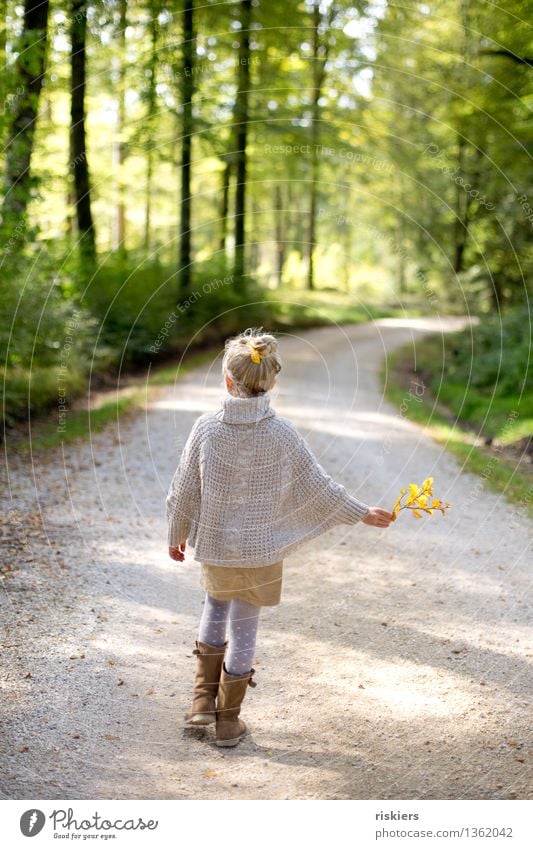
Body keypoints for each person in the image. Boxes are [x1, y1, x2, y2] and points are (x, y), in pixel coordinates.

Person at [167, 327, 392, 748]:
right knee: (245, 626)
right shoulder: (282, 433)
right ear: (271, 382)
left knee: (215, 608)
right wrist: (362, 513)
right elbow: (318, 486)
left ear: (227, 380)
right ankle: (228, 722)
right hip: (261, 552)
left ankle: (201, 703)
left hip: (217, 546)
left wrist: (176, 534)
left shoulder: (206, 428)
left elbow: (184, 488)